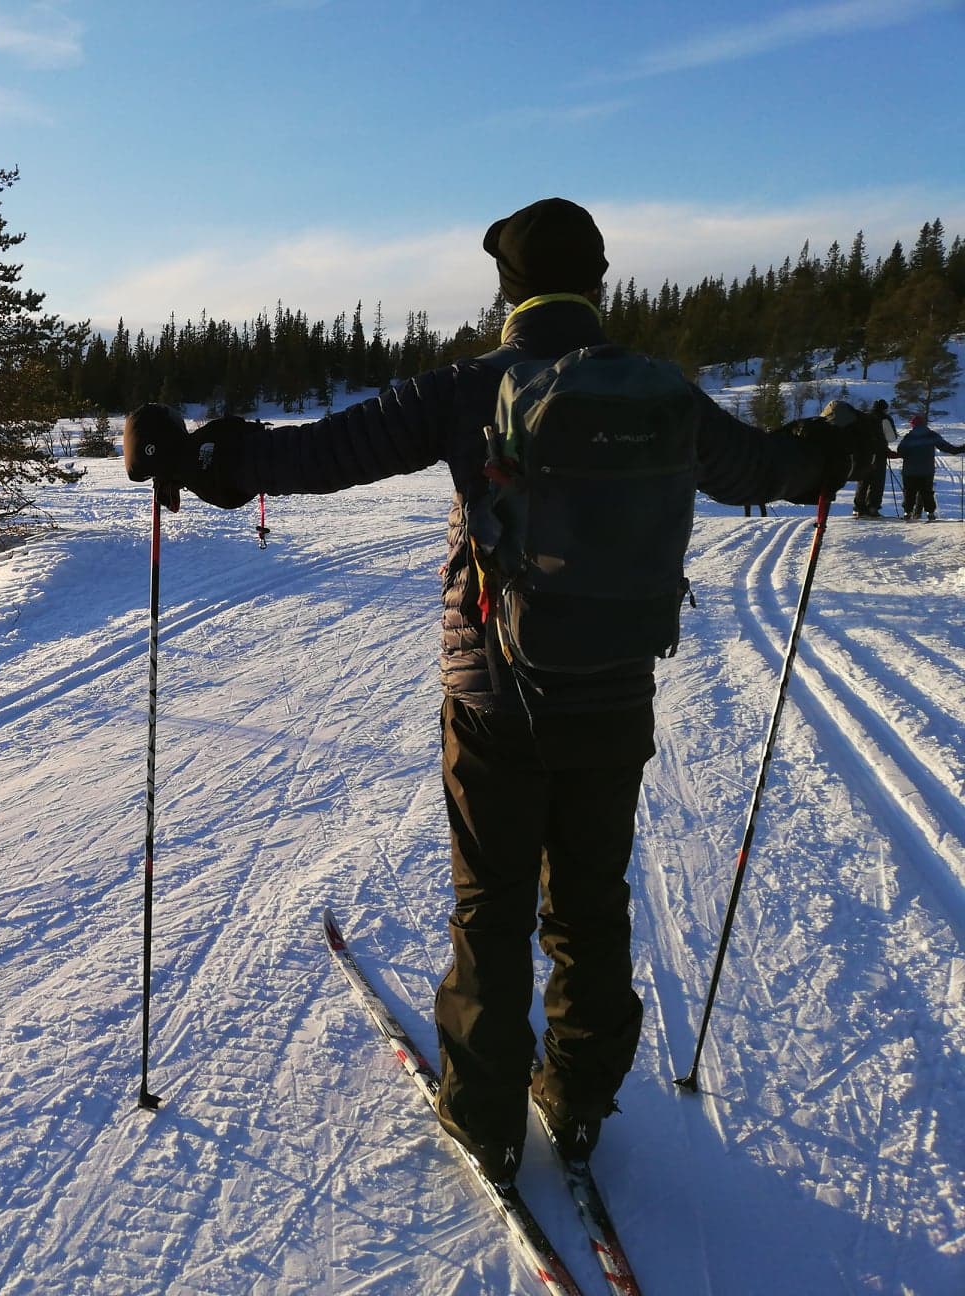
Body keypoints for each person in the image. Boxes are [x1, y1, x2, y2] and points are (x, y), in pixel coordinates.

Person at [123, 197, 852, 1185]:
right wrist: (833, 447)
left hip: (493, 698)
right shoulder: (666, 398)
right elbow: (767, 468)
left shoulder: (471, 387)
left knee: (492, 906)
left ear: (506, 291)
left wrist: (201, 453)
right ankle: (582, 1097)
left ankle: (487, 1115)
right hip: (614, 696)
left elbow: (323, 453)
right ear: (599, 285)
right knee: (591, 900)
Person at [896, 412, 963, 521]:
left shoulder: (909, 437)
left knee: (909, 492)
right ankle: (930, 513)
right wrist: (960, 449)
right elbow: (947, 447)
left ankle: (907, 512)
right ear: (924, 424)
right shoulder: (931, 435)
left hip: (909, 471)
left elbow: (900, 452)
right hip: (926, 471)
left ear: (913, 425)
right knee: (927, 492)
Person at [852, 399, 897, 517]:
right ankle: (872, 507)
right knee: (877, 481)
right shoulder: (885, 419)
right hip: (879, 453)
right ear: (884, 408)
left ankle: (858, 508)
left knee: (863, 480)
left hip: (863, 453)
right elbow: (892, 438)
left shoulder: (863, 417)